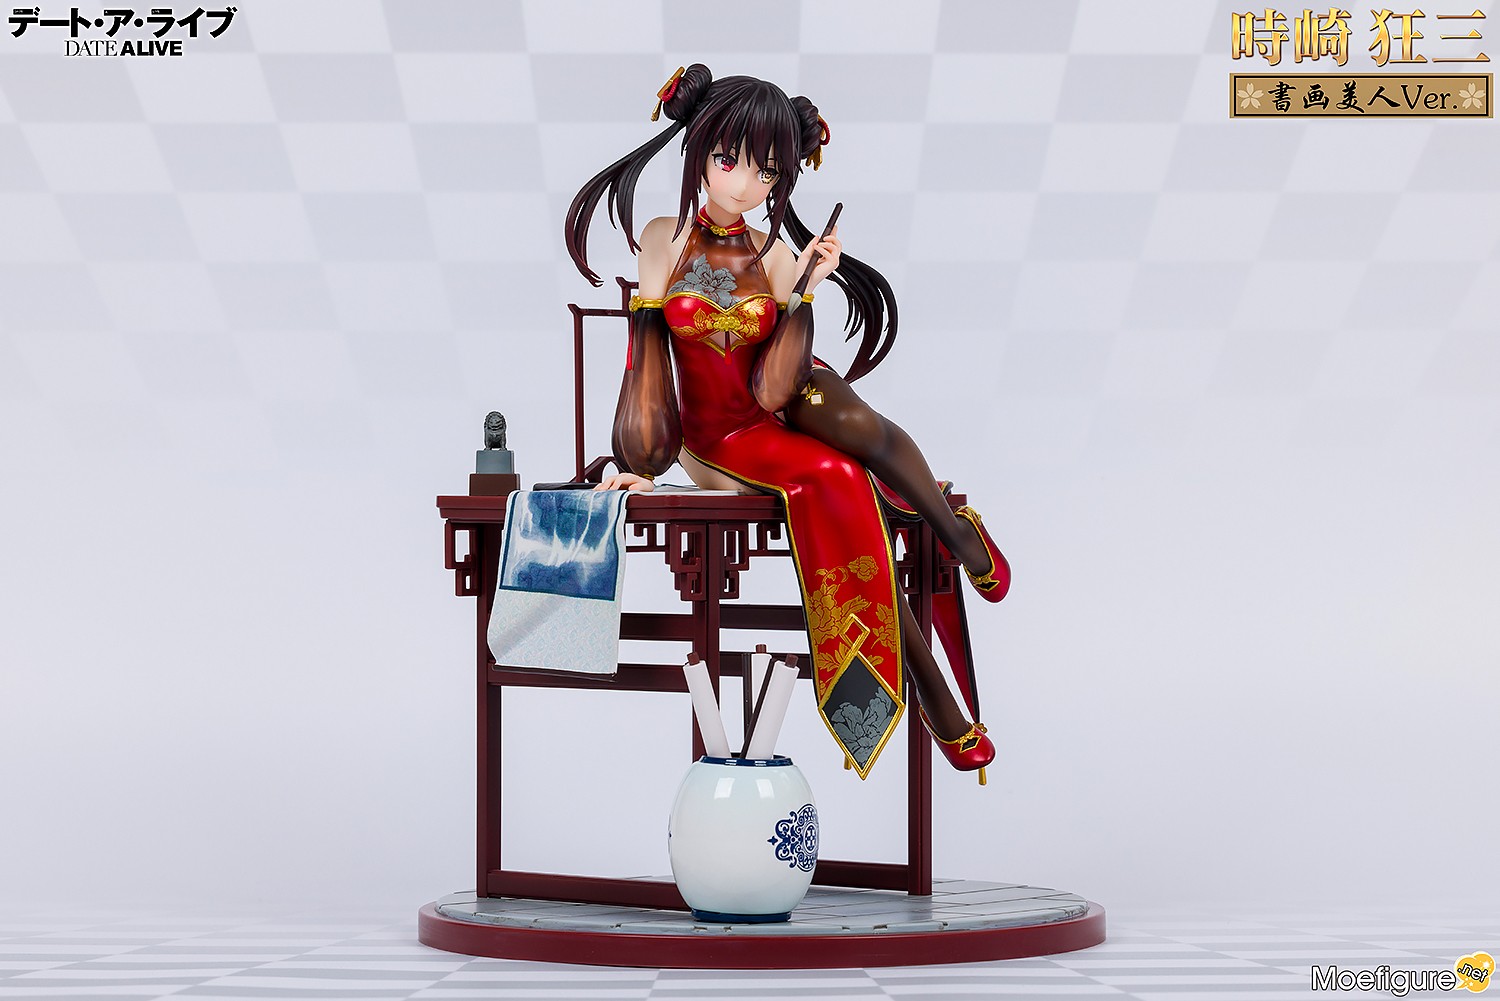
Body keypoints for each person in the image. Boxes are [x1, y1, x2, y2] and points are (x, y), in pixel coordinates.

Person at [565, 64, 1009, 781]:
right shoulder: (663, 239)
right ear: (699, 149)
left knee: (850, 419)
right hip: (717, 438)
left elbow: (777, 385)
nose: (745, 185)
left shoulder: (772, 254)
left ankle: (956, 536)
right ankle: (936, 695)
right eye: (729, 160)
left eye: (766, 172)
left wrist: (804, 289)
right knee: (840, 477)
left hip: (775, 400)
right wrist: (642, 463)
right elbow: (646, 357)